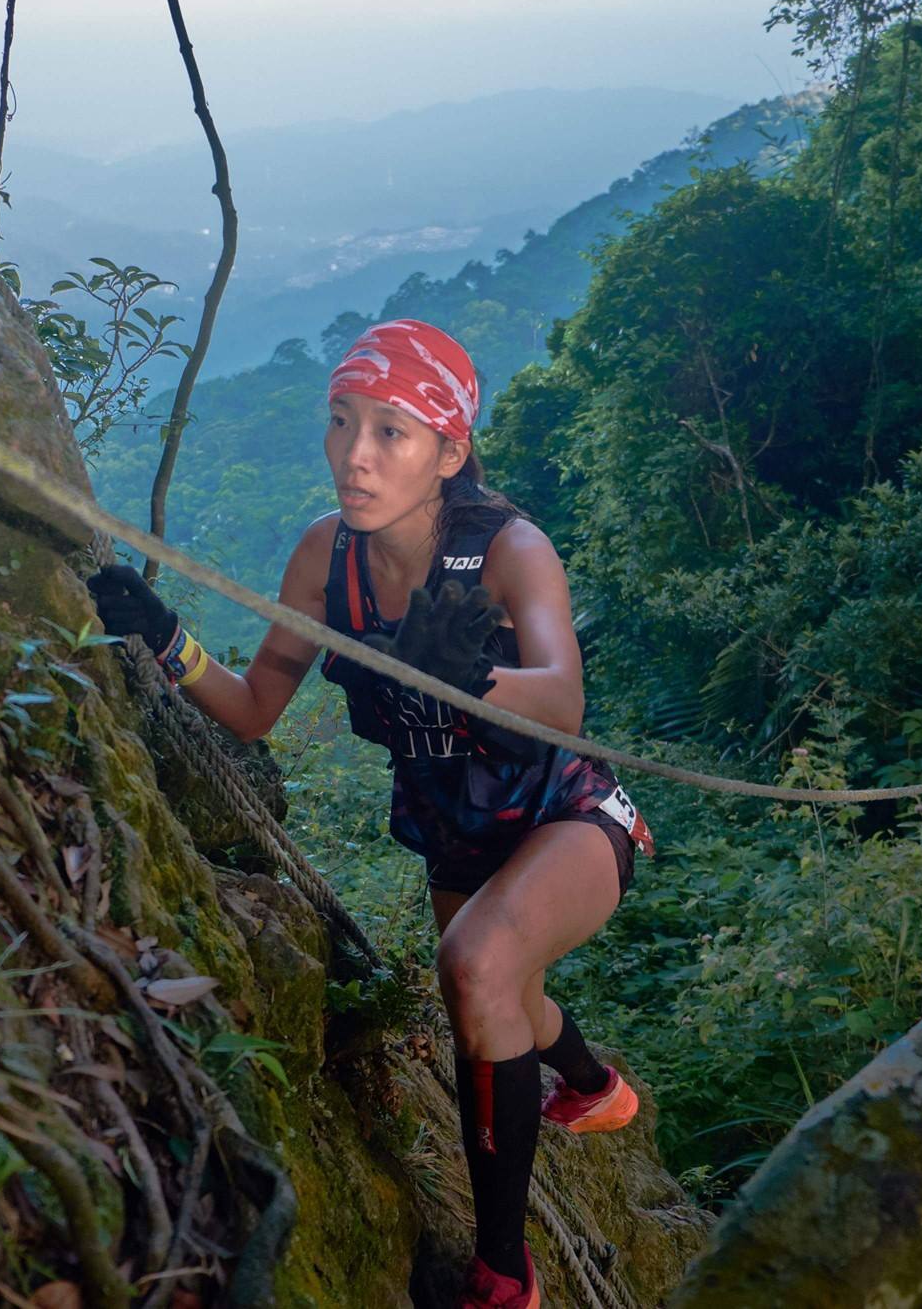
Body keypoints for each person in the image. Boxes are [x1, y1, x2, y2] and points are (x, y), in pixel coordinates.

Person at [88, 318, 656, 1309]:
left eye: (391, 431)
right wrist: (167, 639)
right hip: (454, 832)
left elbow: (563, 700)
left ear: (449, 451)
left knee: (476, 966)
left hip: (565, 814)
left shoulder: (510, 549)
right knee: (499, 997)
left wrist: (472, 675)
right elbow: (255, 708)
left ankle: (503, 1275)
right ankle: (593, 1086)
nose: (355, 454)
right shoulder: (326, 560)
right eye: (342, 421)